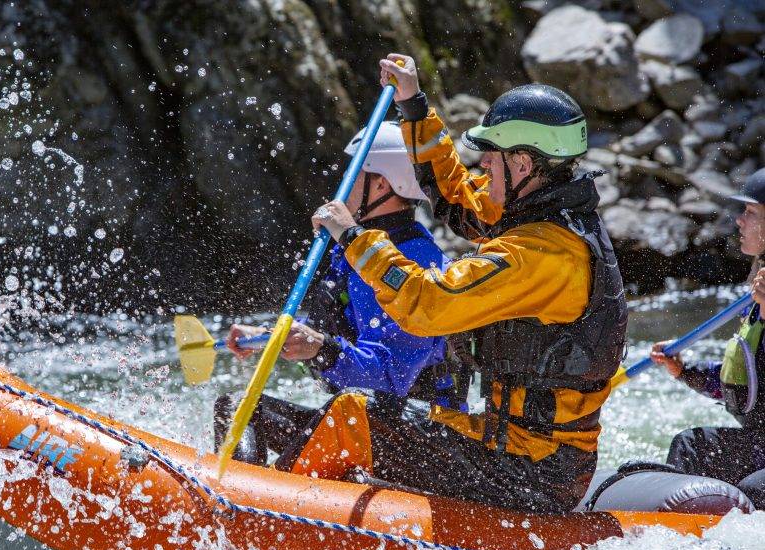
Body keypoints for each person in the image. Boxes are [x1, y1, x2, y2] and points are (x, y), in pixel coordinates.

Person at [279, 53, 628, 514]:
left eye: (490, 160)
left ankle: (276, 518)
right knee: (373, 415)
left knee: (353, 415)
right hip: (512, 446)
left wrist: (353, 238)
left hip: (532, 470)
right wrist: (413, 106)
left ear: (523, 164)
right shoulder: (537, 208)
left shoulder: (542, 255)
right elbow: (456, 197)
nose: (482, 169)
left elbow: (428, 304)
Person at [214, 121, 468, 466]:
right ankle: (239, 489)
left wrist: (320, 349)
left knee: (336, 417)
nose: (342, 182)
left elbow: (392, 377)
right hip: (365, 418)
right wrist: (271, 336)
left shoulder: (413, 262)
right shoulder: (361, 251)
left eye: (354, 171)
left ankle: (260, 490)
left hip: (419, 437)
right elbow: (337, 327)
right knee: (236, 407)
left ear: (382, 183)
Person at [652, 168, 765, 505]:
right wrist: (685, 371)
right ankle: (671, 528)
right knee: (693, 446)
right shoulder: (756, 299)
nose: (740, 221)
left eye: (751, 212)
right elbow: (746, 382)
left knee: (755, 488)